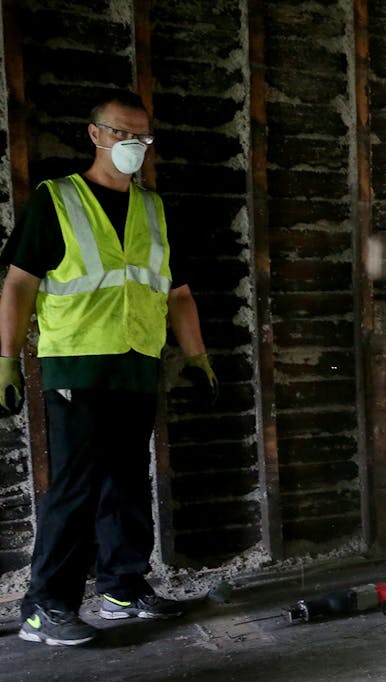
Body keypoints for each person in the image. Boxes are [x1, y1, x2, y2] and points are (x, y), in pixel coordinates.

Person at [0, 89, 218, 646]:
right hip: (77, 362)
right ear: (95, 134)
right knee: (75, 485)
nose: (132, 145)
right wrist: (5, 360)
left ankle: (122, 587)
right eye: (122, 133)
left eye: (142, 136)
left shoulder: (154, 209)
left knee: (126, 479)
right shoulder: (58, 200)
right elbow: (19, 283)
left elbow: (180, 293)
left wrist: (197, 356)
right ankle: (44, 606)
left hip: (135, 361)